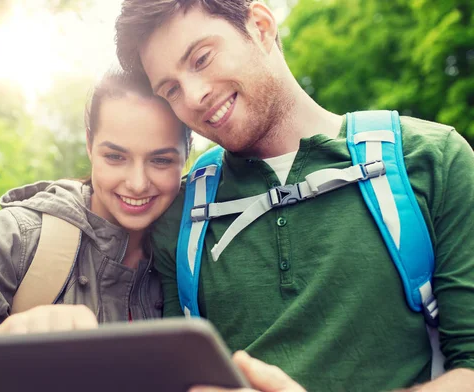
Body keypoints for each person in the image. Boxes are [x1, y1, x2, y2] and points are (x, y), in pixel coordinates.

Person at [114, 1, 474, 391]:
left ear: (261, 26)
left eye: (201, 58)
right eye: (171, 89)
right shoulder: (178, 214)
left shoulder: (430, 159)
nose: (194, 96)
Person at [0, 69, 192, 391]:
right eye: (115, 156)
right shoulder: (17, 235)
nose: (136, 183)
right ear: (90, 145)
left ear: (187, 153)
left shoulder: (197, 249)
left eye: (160, 161)